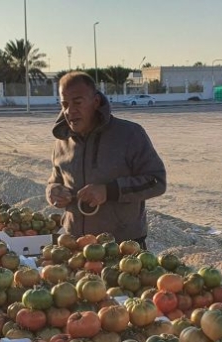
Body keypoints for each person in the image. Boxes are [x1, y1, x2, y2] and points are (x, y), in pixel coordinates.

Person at [46, 71, 167, 248]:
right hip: (75, 247)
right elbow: (55, 180)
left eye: (77, 102)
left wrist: (109, 191)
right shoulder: (62, 141)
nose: (70, 111)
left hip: (123, 247)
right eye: (64, 104)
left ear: (95, 102)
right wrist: (53, 191)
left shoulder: (129, 134)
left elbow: (156, 181)